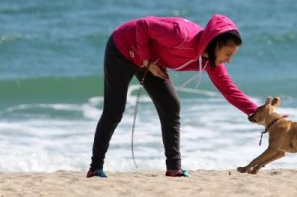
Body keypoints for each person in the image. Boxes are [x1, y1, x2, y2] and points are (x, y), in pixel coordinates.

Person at [87, 14, 258, 178]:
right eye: (228, 54)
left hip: (151, 61)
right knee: (114, 111)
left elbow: (230, 90)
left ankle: (173, 168)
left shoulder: (211, 62)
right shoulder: (181, 35)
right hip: (123, 49)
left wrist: (259, 112)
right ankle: (95, 168)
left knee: (171, 105)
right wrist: (146, 60)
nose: (229, 60)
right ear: (216, 44)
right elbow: (143, 25)